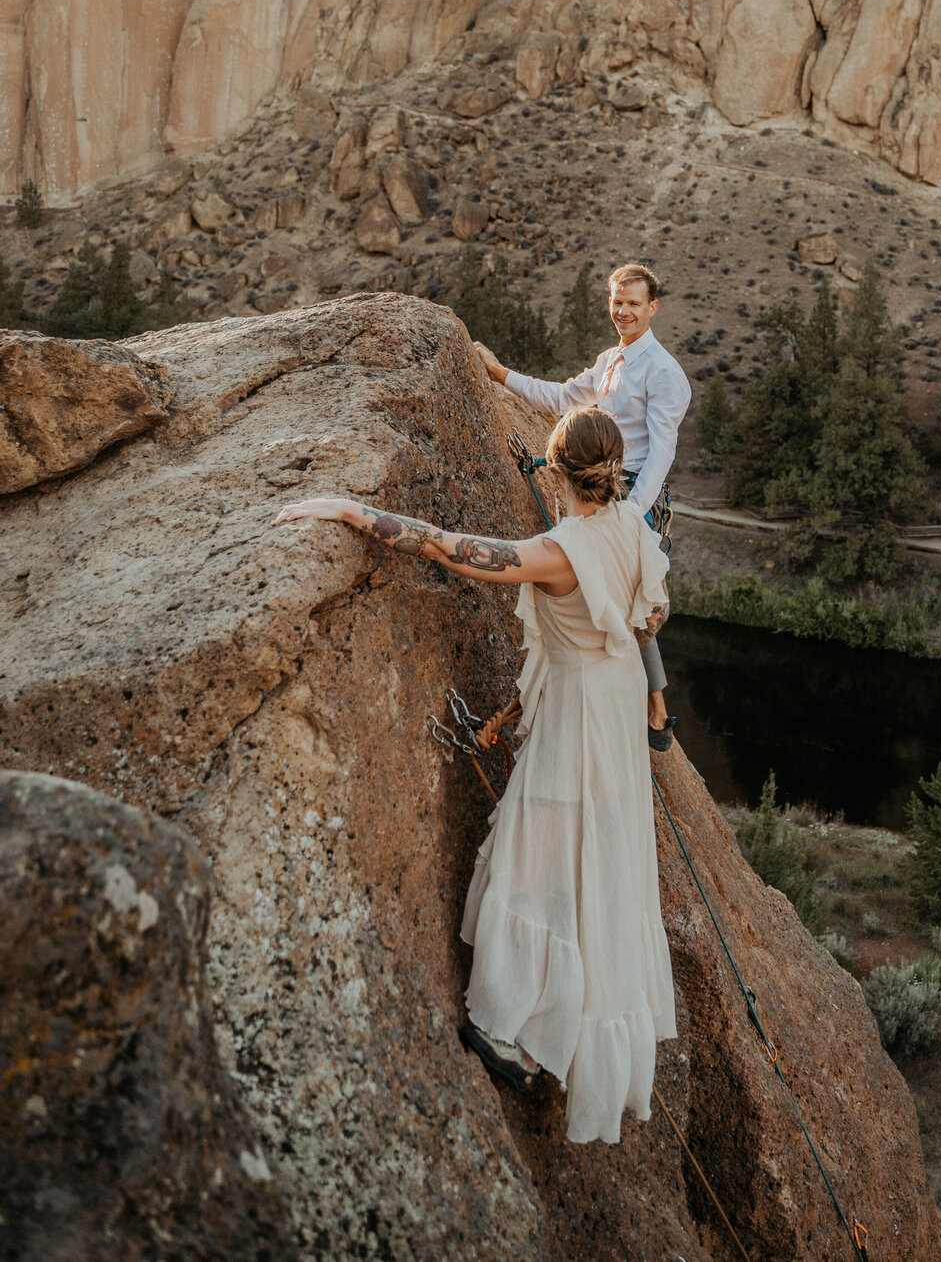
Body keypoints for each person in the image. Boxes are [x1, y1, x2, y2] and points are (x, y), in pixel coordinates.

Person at [271, 405, 676, 1145]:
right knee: (597, 865)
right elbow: (651, 615)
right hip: (610, 710)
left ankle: (514, 1033)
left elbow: (455, 551)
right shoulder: (634, 529)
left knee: (536, 860)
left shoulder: (561, 549)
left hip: (579, 721)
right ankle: (565, 1028)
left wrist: (352, 510)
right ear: (612, 469)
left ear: (555, 470)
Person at [473, 262, 690, 748]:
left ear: (652, 307)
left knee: (636, 604)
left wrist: (630, 513)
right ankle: (641, 704)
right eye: (617, 301)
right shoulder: (611, 361)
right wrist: (500, 374)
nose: (624, 311)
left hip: (631, 493)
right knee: (595, 595)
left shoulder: (664, 373)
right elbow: (563, 398)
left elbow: (662, 452)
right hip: (598, 487)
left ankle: (656, 710)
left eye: (634, 303)